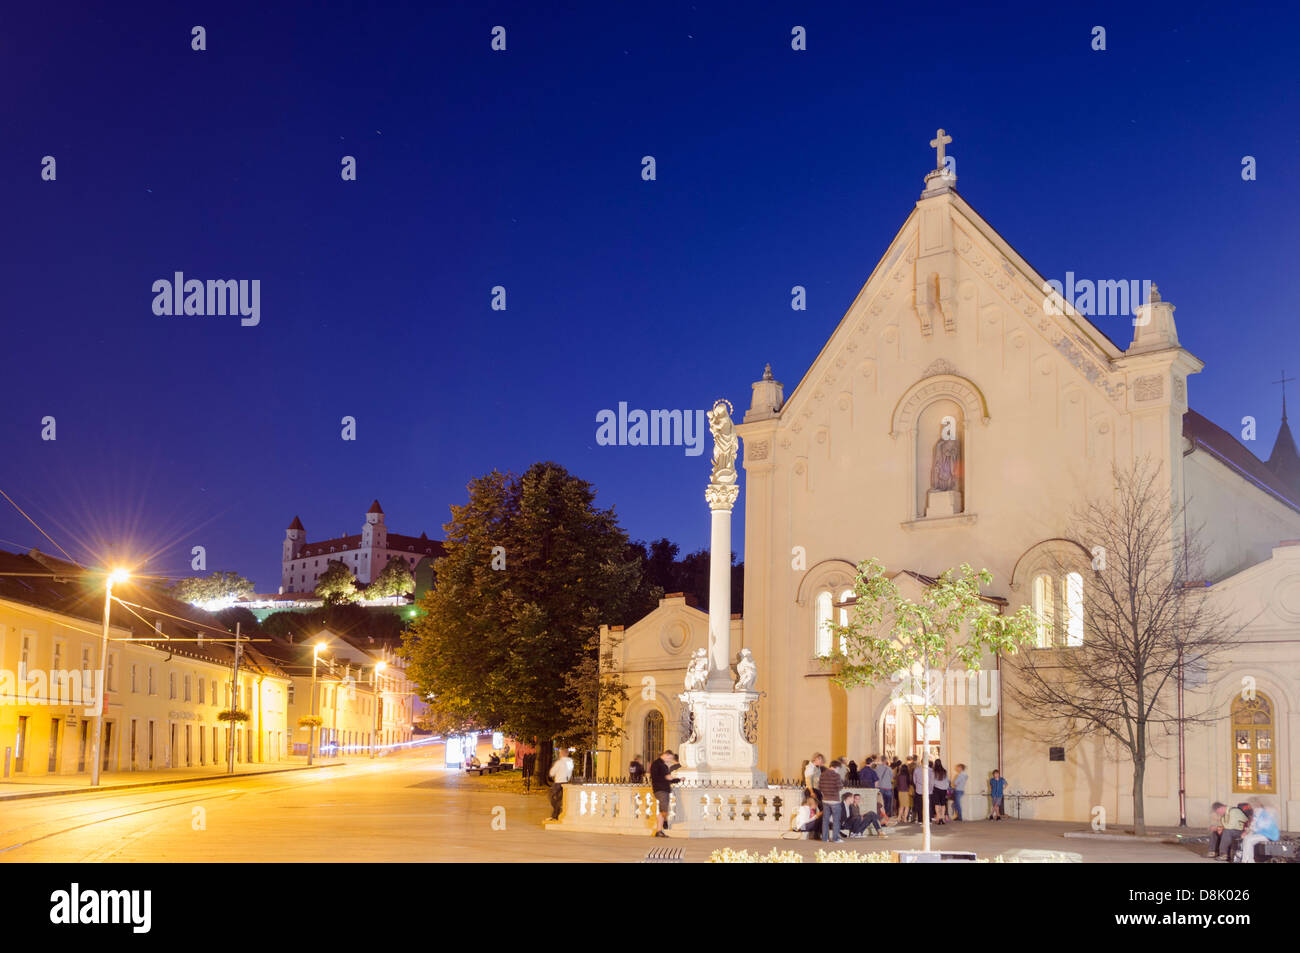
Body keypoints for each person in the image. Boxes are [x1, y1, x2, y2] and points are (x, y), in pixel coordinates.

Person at [650, 749, 681, 837]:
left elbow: (667, 778)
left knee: (663, 810)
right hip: (661, 790)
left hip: (661, 789)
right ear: (666, 755)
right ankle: (660, 829)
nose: (670, 760)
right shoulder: (658, 764)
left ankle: (660, 829)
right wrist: (668, 777)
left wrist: (677, 779)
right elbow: (660, 777)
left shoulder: (660, 764)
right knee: (664, 811)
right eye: (669, 758)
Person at [820, 759, 845, 842]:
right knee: (836, 820)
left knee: (825, 820)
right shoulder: (836, 775)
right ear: (836, 767)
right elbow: (840, 787)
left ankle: (824, 838)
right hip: (834, 800)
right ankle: (835, 838)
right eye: (839, 768)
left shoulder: (822, 774)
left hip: (825, 800)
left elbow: (820, 786)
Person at [547, 748, 574, 820]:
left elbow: (552, 772)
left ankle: (556, 812)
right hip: (566, 782)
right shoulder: (570, 762)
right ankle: (557, 812)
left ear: (562, 754)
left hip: (558, 783)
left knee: (551, 797)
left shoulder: (559, 762)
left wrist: (551, 774)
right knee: (561, 798)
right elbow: (570, 772)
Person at [932, 759, 949, 824]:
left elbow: (932, 781)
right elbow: (947, 780)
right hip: (944, 789)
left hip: (936, 788)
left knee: (936, 804)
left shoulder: (934, 771)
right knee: (943, 804)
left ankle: (938, 818)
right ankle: (942, 818)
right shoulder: (944, 771)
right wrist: (946, 787)